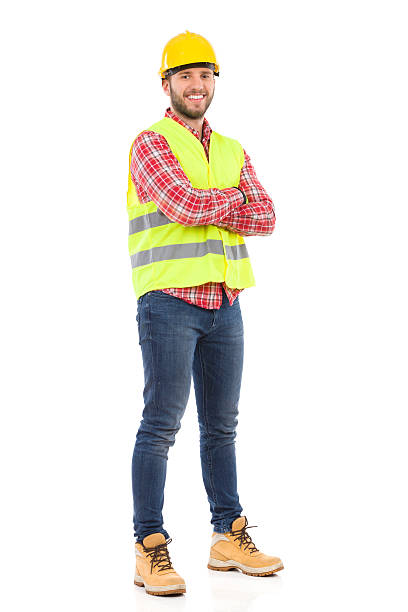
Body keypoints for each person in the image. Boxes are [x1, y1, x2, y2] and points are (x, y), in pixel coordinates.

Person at [127, 30, 283, 597]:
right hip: (168, 301)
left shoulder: (235, 148)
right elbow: (183, 205)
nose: (197, 85)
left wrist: (230, 205)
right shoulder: (151, 143)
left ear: (214, 81)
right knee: (160, 428)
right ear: (166, 84)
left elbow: (267, 217)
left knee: (222, 429)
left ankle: (227, 534)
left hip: (225, 304)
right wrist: (234, 201)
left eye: (206, 75)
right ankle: (150, 546)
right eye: (185, 76)